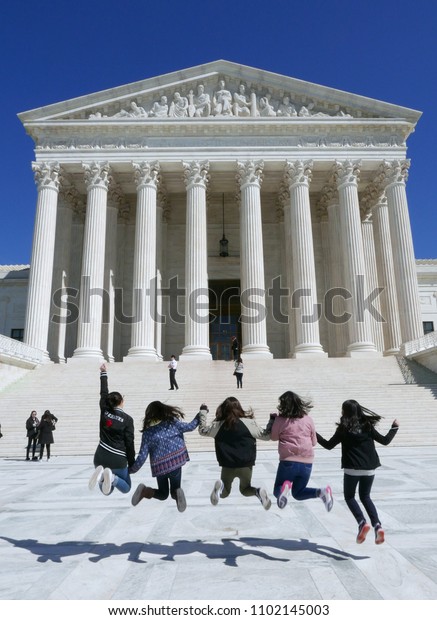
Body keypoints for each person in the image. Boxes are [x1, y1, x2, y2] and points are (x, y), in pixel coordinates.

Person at [317, 399, 399, 545]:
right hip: (369, 468)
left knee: (349, 497)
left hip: (352, 469)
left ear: (344, 412)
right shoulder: (367, 426)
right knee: (365, 496)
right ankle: (377, 525)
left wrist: (314, 434)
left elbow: (329, 445)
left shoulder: (343, 428)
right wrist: (394, 428)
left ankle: (361, 522)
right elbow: (385, 441)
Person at [198, 397, 272, 509]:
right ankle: (257, 492)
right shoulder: (249, 423)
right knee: (245, 489)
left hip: (228, 465)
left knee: (225, 492)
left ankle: (221, 488)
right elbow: (266, 436)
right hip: (246, 465)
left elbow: (202, 430)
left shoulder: (218, 425)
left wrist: (203, 411)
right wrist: (272, 420)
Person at [268, 391, 333, 512]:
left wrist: (272, 421)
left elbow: (273, 437)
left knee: (278, 487)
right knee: (298, 493)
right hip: (307, 462)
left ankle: (285, 488)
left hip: (288, 461)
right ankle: (321, 492)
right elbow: (314, 442)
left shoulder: (280, 420)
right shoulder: (308, 419)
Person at [129, 401, 201, 512]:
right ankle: (177, 493)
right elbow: (191, 426)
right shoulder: (172, 423)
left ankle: (145, 491)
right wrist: (201, 413)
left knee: (163, 494)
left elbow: (142, 457)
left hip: (160, 468)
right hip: (175, 463)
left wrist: (131, 470)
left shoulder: (148, 433)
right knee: (174, 490)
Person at [88, 364, 135, 495]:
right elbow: (129, 443)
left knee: (107, 490)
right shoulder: (127, 419)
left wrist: (103, 373)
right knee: (126, 487)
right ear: (121, 401)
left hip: (100, 456)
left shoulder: (104, 410)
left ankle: (103, 476)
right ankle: (111, 477)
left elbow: (103, 392)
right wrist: (131, 462)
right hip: (118, 458)